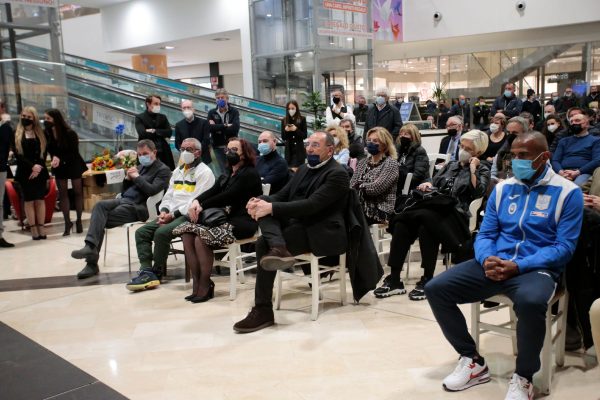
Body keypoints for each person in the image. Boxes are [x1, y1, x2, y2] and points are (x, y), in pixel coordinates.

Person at [425, 132, 583, 400]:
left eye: (524, 156)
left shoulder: (568, 193)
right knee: (436, 288)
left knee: (532, 302)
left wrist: (518, 265)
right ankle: (472, 359)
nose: (516, 161)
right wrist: (487, 258)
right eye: (514, 155)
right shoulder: (503, 188)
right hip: (495, 262)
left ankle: (524, 377)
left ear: (544, 157)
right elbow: (485, 234)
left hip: (535, 269)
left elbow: (563, 248)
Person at [233, 132, 350, 333]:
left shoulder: (337, 173)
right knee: (265, 214)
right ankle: (278, 248)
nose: (310, 149)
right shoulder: (304, 169)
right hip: (298, 225)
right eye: (308, 144)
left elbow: (312, 205)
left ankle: (263, 309)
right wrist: (260, 200)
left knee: (263, 242)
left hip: (322, 229)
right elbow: (283, 195)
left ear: (330, 150)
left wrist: (270, 208)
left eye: (315, 145)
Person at [374, 130, 490, 301]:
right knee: (402, 225)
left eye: (468, 148)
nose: (462, 150)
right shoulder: (451, 165)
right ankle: (395, 278)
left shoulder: (483, 168)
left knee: (426, 223)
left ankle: (428, 277)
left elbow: (479, 191)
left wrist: (473, 169)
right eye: (461, 146)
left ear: (478, 153)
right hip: (432, 210)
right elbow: (434, 182)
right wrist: (428, 183)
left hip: (455, 215)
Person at [174, 138, 262, 302]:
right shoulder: (229, 172)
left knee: (201, 238)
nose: (229, 153)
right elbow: (213, 190)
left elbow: (227, 196)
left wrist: (202, 205)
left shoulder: (249, 173)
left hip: (244, 222)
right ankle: (197, 283)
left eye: (234, 150)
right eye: (228, 149)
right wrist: (196, 201)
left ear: (244, 154)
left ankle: (205, 285)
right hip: (226, 219)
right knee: (186, 233)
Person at [71, 140, 171, 279]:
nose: (142, 157)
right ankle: (90, 247)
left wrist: (137, 177)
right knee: (99, 206)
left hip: (140, 207)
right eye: (140, 154)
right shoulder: (140, 166)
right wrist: (127, 179)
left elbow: (152, 191)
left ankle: (91, 262)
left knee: (99, 220)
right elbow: (126, 191)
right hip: (124, 200)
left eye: (145, 154)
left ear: (154, 152)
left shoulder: (163, 170)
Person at [126, 138, 215, 291]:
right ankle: (146, 270)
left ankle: (157, 272)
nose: (184, 152)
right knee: (142, 233)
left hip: (189, 216)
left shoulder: (205, 172)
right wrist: (164, 211)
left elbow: (196, 201)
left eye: (189, 149)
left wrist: (172, 215)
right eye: (182, 149)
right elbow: (168, 195)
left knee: (161, 233)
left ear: (198, 152)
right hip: (171, 214)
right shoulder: (178, 171)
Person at [44, 109, 87, 236]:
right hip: (59, 166)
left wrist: (60, 159)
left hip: (73, 164)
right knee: (62, 194)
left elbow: (74, 152)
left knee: (78, 192)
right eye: (45, 119)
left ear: (56, 119)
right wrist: (54, 160)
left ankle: (79, 220)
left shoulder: (70, 133)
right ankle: (67, 222)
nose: (46, 122)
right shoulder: (47, 134)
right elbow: (49, 151)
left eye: (48, 119)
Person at [13, 106, 49, 240]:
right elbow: (18, 155)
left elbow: (44, 152)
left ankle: (41, 227)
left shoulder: (41, 133)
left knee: (40, 200)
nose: (25, 119)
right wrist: (32, 166)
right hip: (25, 172)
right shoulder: (15, 133)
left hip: (40, 172)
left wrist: (38, 166)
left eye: (28, 117)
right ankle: (33, 228)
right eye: (23, 116)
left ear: (34, 118)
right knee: (28, 201)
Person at [350, 127, 398, 224]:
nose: (370, 143)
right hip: (360, 204)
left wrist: (359, 185)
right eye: (369, 140)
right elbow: (351, 185)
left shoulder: (390, 163)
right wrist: (362, 185)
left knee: (348, 216)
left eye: (375, 141)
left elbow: (376, 188)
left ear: (384, 144)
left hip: (379, 208)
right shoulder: (363, 162)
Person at [551, 113, 600, 187]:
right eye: (571, 122)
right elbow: (555, 160)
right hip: (563, 172)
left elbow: (597, 160)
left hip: (583, 173)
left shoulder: (596, 140)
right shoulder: (563, 141)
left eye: (577, 120)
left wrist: (578, 172)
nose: (573, 123)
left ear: (586, 124)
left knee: (575, 187)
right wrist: (561, 172)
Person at [135, 94, 175, 170]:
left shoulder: (163, 117)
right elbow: (142, 133)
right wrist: (161, 132)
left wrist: (154, 131)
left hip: (163, 152)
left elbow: (169, 132)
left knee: (166, 173)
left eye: (159, 104)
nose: (158, 106)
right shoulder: (140, 117)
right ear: (148, 104)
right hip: (146, 151)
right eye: (156, 104)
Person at [207, 89, 240, 173]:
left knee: (234, 169)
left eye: (222, 97)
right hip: (218, 146)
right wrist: (225, 125)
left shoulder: (234, 111)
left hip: (232, 146)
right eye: (218, 98)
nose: (220, 99)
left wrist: (217, 128)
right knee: (223, 171)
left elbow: (235, 128)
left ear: (227, 99)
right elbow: (209, 128)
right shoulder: (212, 113)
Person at [490, 116, 530, 181]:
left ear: (525, 133)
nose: (511, 135)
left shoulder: (533, 153)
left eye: (515, 133)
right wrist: (498, 180)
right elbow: (492, 175)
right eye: (508, 133)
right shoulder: (501, 153)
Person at [174, 100, 211, 165]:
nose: (186, 110)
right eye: (184, 108)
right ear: (181, 110)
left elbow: (206, 140)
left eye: (188, 107)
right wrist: (186, 151)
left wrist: (196, 152)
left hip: (202, 158)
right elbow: (177, 143)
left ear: (193, 109)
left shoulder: (204, 123)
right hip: (186, 158)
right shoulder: (178, 125)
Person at [395, 124, 430, 193]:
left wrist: (399, 180)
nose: (402, 136)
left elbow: (418, 175)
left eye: (406, 134)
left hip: (411, 185)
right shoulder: (399, 149)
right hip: (398, 181)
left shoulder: (419, 151)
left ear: (414, 136)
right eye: (401, 134)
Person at [0, 106, 14, 248]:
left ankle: (0, 235)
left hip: (1, 168)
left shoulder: (5, 128)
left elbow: (7, 147)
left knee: (0, 202)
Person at [280, 100, 307, 168]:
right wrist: (286, 130)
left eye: (292, 108)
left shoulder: (302, 119)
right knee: (289, 170)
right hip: (289, 150)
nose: (290, 110)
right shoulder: (284, 120)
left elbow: (304, 135)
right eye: (289, 109)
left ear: (296, 108)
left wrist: (296, 129)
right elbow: (283, 137)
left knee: (299, 170)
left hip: (299, 150)